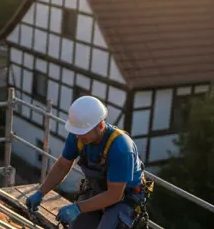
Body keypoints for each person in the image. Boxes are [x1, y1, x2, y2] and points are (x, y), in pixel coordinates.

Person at [25, 96, 152, 228]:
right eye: (76, 132)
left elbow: (115, 195)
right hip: (98, 189)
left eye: (82, 133)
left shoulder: (121, 148)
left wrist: (78, 208)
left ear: (101, 126)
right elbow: (62, 166)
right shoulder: (79, 135)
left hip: (124, 198)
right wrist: (41, 192)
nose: (78, 136)